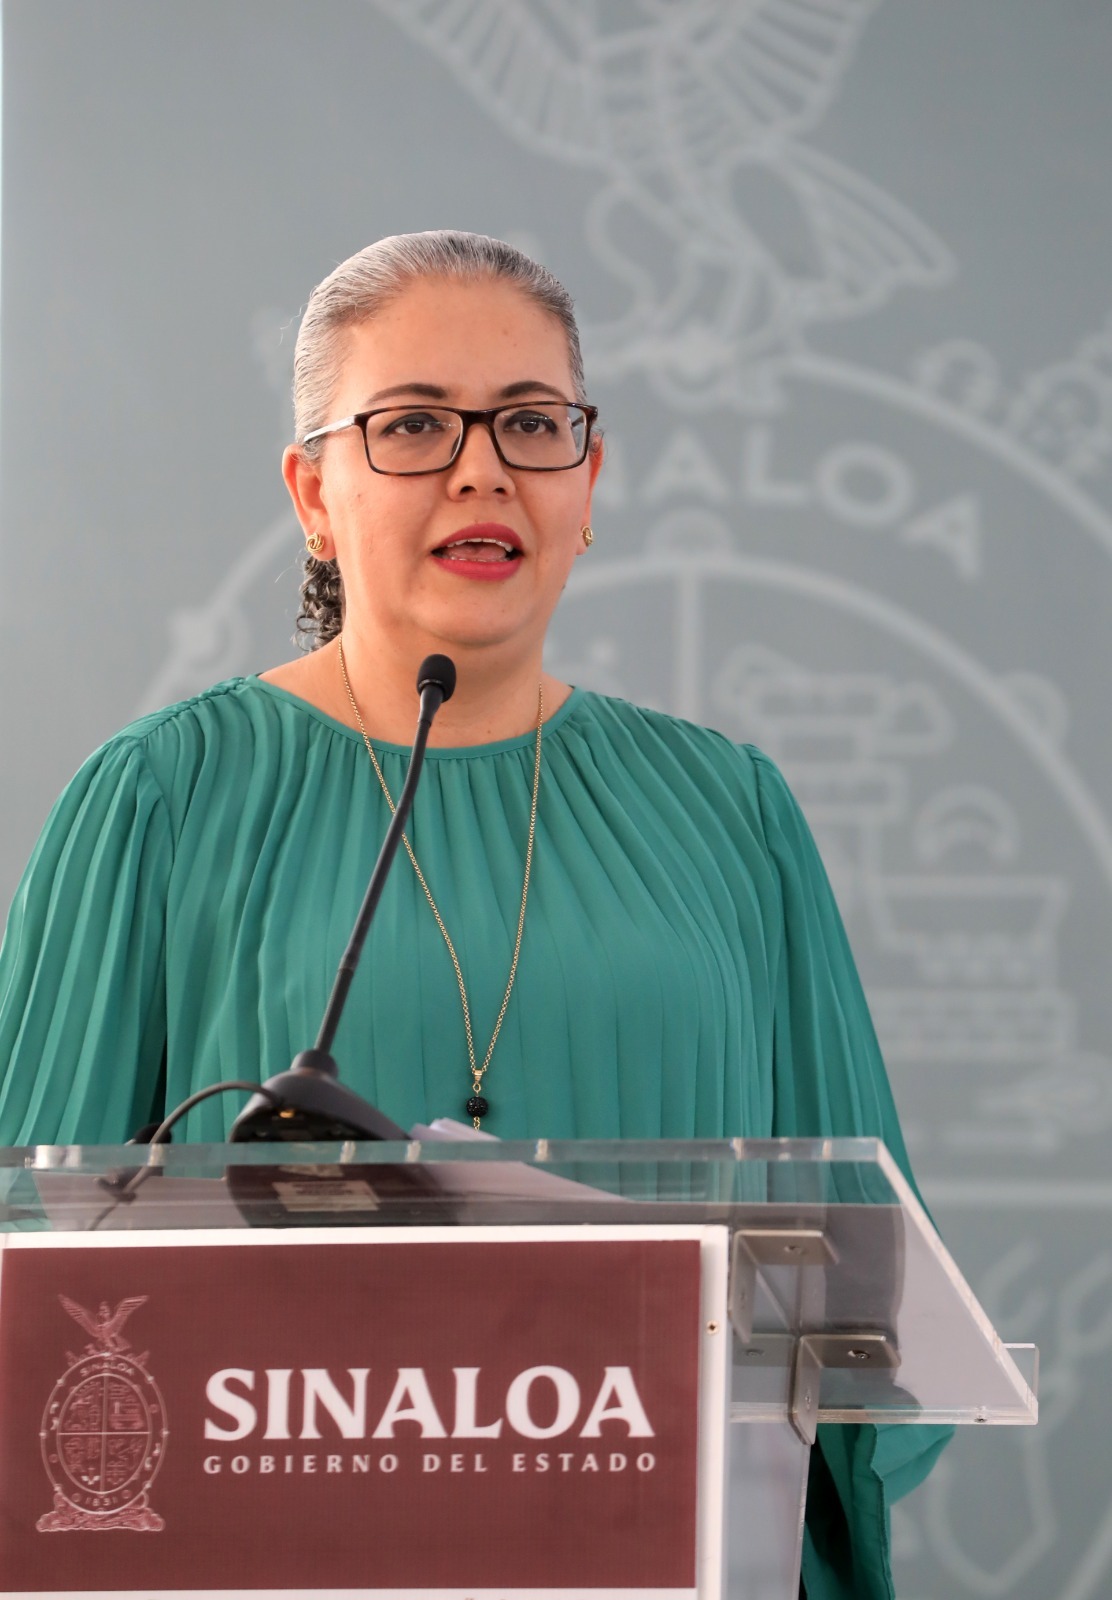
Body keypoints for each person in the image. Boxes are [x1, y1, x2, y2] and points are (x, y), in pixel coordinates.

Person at [0, 230, 946, 1595]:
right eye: (412, 425)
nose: (482, 467)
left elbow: (862, 1291)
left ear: (589, 482)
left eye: (531, 423)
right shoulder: (163, 796)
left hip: (667, 1557)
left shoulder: (731, 811)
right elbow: (29, 1271)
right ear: (313, 493)